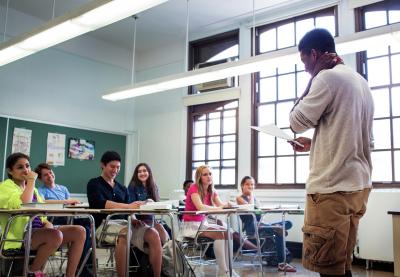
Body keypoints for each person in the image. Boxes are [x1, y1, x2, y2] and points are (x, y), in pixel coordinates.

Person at [289, 28, 374, 277]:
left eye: (305, 61)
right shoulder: (360, 81)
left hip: (331, 190)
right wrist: (315, 144)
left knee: (328, 269)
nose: (305, 67)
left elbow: (295, 121)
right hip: (357, 187)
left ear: (314, 54)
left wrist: (312, 79)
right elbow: (357, 138)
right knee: (342, 266)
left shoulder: (326, 78)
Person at [0, 153, 86, 277]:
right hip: (19, 236)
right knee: (55, 235)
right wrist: (30, 181)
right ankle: (33, 271)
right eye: (20, 167)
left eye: (27, 166)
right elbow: (25, 203)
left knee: (79, 231)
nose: (26, 170)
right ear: (10, 171)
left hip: (39, 232)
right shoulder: (5, 187)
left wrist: (47, 223)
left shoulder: (33, 189)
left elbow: (42, 216)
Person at [86, 151, 163, 277]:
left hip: (126, 224)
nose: (115, 170)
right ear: (103, 165)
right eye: (112, 166)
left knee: (153, 234)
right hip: (104, 226)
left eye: (118, 167)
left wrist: (133, 218)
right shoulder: (94, 184)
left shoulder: (121, 188)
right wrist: (128, 206)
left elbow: (130, 210)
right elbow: (101, 203)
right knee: (125, 233)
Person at [181, 165, 256, 277]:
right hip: (191, 226)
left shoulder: (212, 190)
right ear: (199, 177)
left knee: (229, 233)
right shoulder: (194, 188)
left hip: (203, 224)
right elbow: (201, 207)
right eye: (205, 174)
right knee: (221, 233)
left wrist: (229, 206)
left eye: (210, 174)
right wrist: (221, 208)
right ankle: (223, 271)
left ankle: (228, 270)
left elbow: (220, 205)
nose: (208, 176)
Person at [35, 162, 93, 277]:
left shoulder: (63, 188)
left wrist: (73, 202)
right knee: (82, 228)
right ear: (41, 179)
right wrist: (65, 201)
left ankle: (83, 263)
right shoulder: (41, 190)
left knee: (87, 225)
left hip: (68, 217)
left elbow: (70, 201)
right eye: (45, 175)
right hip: (54, 219)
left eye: (50, 172)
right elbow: (42, 202)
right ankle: (81, 264)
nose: (49, 176)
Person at [236, 176, 296, 272]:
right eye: (247, 184)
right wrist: (251, 195)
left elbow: (260, 214)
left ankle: (277, 228)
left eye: (252, 184)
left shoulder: (255, 199)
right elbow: (251, 208)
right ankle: (282, 264)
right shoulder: (239, 198)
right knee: (279, 230)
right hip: (252, 228)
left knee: (288, 223)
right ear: (242, 186)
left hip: (261, 225)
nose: (250, 186)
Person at [128, 163, 170, 244]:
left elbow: (157, 206)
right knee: (157, 230)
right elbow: (130, 206)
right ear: (136, 174)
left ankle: (166, 251)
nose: (142, 173)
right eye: (139, 171)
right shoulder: (132, 186)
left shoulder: (154, 187)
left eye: (144, 171)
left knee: (161, 227)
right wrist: (145, 203)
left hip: (151, 220)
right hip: (139, 221)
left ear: (149, 172)